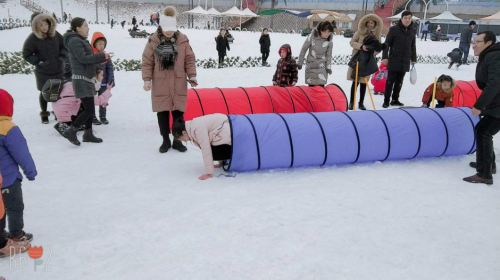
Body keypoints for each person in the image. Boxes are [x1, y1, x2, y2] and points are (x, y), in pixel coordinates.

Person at [142, 6, 197, 154]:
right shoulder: (153, 40)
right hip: (160, 83)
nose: (169, 32)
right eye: (167, 29)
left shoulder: (182, 40)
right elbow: (147, 61)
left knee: (179, 113)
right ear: (161, 27)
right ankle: (165, 140)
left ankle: (177, 140)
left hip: (178, 82)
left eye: (172, 30)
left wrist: (192, 75)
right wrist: (147, 79)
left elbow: (189, 59)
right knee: (163, 113)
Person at [62, 17, 111, 146]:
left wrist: (101, 59)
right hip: (81, 80)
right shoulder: (74, 41)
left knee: (89, 108)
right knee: (89, 110)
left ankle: (88, 134)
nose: (88, 28)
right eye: (85, 26)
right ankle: (71, 130)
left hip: (86, 79)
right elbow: (83, 59)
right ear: (77, 28)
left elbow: (87, 60)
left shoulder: (80, 40)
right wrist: (101, 56)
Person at [0, 89, 37, 255]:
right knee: (14, 207)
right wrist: (30, 171)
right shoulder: (8, 128)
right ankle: (16, 235)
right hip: (8, 179)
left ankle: (1, 238)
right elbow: (21, 153)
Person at [463, 31, 500, 185]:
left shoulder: (494, 56)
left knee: (483, 131)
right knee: (485, 131)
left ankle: (484, 174)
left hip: (497, 102)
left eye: (478, 41)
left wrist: (479, 105)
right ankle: (488, 165)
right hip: (496, 102)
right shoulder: (490, 54)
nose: (474, 44)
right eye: (474, 41)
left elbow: (495, 83)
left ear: (488, 43)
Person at [22, 13, 66, 124]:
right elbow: (27, 54)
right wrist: (38, 61)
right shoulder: (33, 38)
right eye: (41, 25)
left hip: (57, 69)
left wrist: (61, 57)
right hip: (43, 71)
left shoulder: (56, 35)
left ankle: (57, 111)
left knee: (57, 92)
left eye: (46, 24)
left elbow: (64, 46)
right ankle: (44, 113)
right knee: (44, 92)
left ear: (49, 23)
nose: (44, 27)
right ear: (36, 26)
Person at [53, 69, 112, 136]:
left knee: (86, 104)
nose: (103, 77)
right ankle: (64, 125)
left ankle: (69, 123)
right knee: (89, 108)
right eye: (101, 75)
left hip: (61, 108)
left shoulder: (80, 80)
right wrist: (108, 90)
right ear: (95, 76)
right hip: (65, 111)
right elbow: (96, 101)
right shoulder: (86, 85)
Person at [172, 114, 231, 180]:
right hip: (225, 129)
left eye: (181, 139)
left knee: (212, 151)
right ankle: (223, 161)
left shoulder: (197, 129)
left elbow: (206, 149)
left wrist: (209, 173)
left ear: (184, 133)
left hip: (229, 132)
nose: (183, 141)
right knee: (212, 144)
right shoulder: (192, 127)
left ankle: (229, 156)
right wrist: (220, 163)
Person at [347, 13, 383, 110]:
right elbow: (352, 42)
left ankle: (361, 103)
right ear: (366, 23)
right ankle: (351, 102)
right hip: (358, 60)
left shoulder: (376, 35)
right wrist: (361, 46)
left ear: (375, 24)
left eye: (372, 23)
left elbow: (378, 47)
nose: (371, 24)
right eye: (369, 22)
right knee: (355, 82)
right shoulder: (360, 32)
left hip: (368, 61)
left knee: (364, 82)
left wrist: (374, 52)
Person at [381, 10, 417, 108]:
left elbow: (413, 45)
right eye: (405, 18)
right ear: (401, 19)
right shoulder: (394, 29)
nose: (407, 20)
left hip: (405, 60)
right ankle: (386, 101)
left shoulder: (412, 30)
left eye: (409, 18)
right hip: (394, 59)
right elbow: (386, 44)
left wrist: (413, 58)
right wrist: (385, 57)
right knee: (390, 81)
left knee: (400, 81)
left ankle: (395, 99)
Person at [298, 21, 334, 86]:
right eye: (325, 31)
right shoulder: (312, 37)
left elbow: (329, 55)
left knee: (320, 88)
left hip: (322, 67)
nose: (327, 34)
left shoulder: (329, 41)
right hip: (311, 65)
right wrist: (300, 62)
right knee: (311, 88)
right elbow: (303, 49)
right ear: (320, 30)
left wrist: (328, 67)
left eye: (329, 32)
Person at [91, 31, 115, 125]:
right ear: (94, 44)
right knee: (92, 100)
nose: (101, 46)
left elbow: (110, 68)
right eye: (99, 44)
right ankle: (93, 117)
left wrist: (110, 79)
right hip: (93, 83)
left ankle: (103, 116)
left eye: (103, 44)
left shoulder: (106, 56)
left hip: (104, 82)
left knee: (103, 99)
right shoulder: (91, 56)